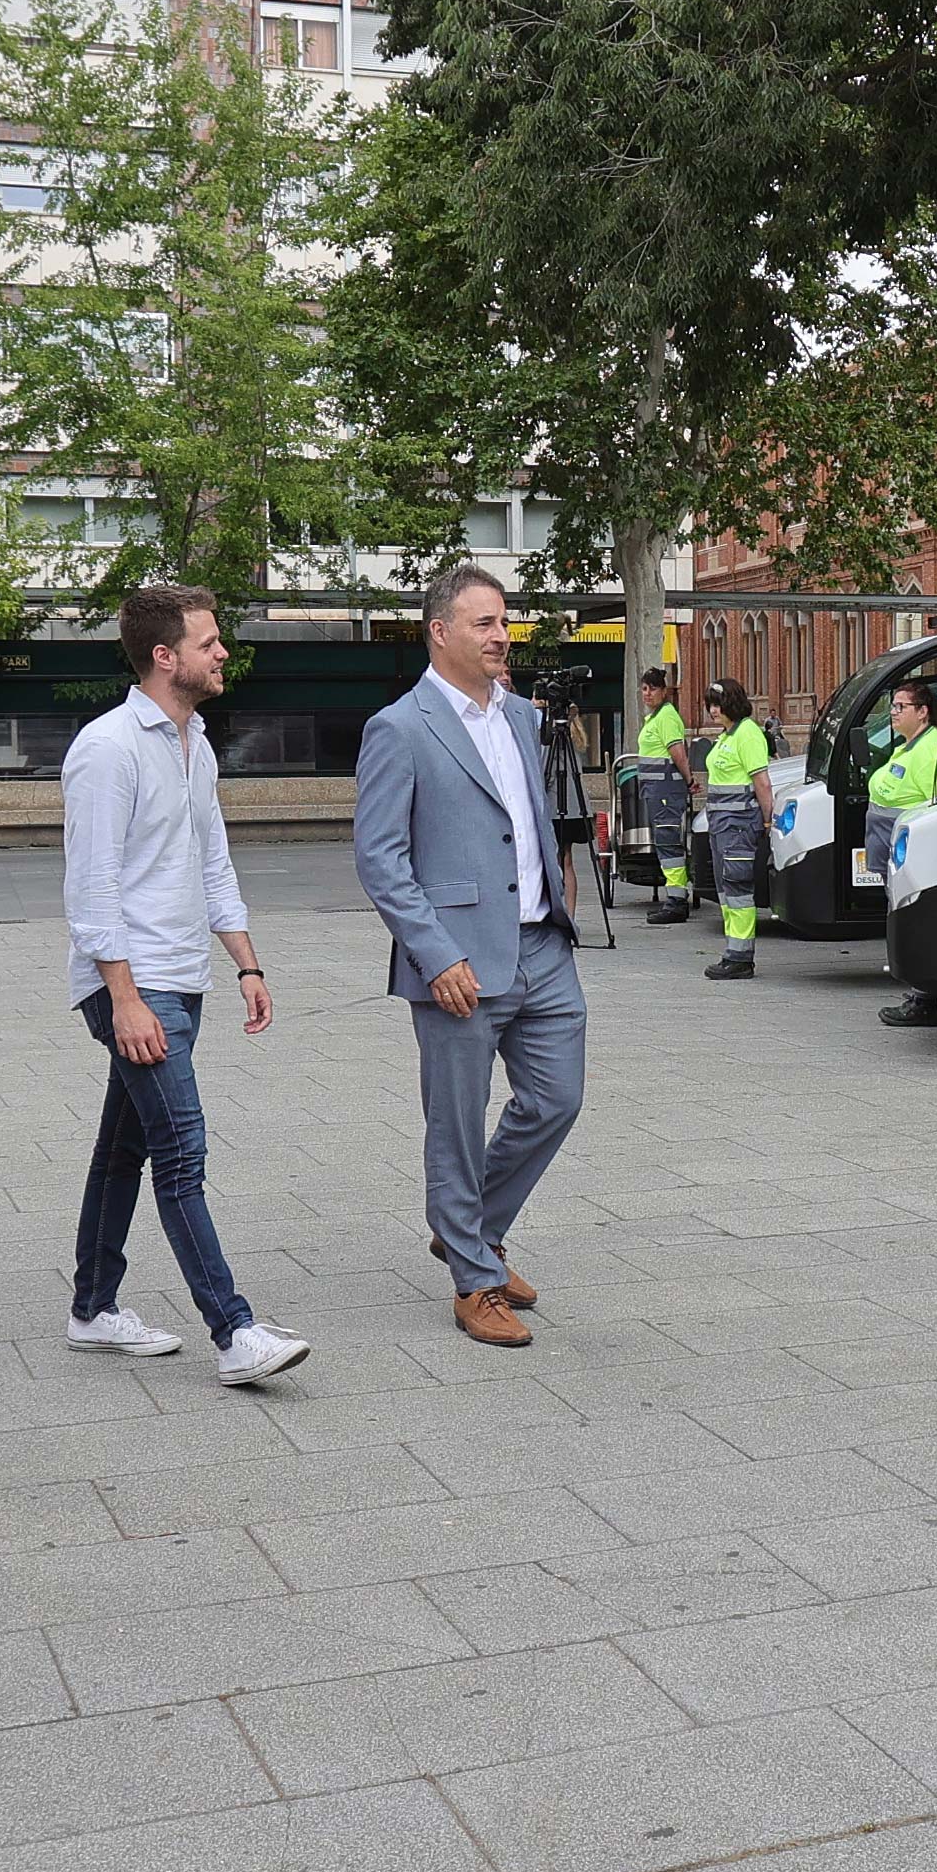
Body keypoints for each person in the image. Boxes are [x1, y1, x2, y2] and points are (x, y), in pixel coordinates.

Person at [63, 579, 312, 1386]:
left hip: (184, 975)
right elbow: (91, 887)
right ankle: (234, 1332)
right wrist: (125, 998)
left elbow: (211, 860)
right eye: (209, 642)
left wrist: (246, 961)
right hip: (134, 986)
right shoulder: (108, 748)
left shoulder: (193, 740)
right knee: (181, 1150)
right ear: (164, 655)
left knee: (122, 1149)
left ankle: (93, 1309)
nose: (223, 653)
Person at [356, 566, 587, 1349]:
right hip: (456, 957)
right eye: (485, 623)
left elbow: (527, 815)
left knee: (555, 1099)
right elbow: (382, 858)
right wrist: (434, 953)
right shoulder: (401, 727)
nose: (501, 636)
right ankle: (474, 1279)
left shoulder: (522, 715)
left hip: (541, 944)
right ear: (440, 632)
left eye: (504, 622)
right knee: (455, 1124)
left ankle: (469, 1229)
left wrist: (558, 881)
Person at [867, 677, 937, 1027]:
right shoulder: (908, 745)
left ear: (923, 712)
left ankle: (924, 999)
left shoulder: (932, 748)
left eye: (900, 706)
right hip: (896, 848)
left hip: (913, 851)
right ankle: (920, 995)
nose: (893, 712)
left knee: (917, 921)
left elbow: (933, 804)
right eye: (893, 706)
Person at [695, 676, 769, 979]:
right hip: (722, 824)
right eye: (710, 704)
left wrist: (767, 821)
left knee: (737, 888)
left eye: (718, 704)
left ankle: (740, 956)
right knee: (726, 888)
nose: (713, 710)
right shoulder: (727, 735)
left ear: (733, 703)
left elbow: (762, 782)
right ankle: (733, 951)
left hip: (738, 824)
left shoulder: (747, 734)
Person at [627, 664, 693, 923]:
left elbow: (677, 751)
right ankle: (675, 898)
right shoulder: (656, 717)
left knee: (669, 844)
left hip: (666, 792)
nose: (647, 693)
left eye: (653, 688)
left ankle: (677, 901)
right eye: (644, 688)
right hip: (658, 791)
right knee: (666, 844)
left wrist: (689, 780)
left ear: (664, 691)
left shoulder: (666, 717)